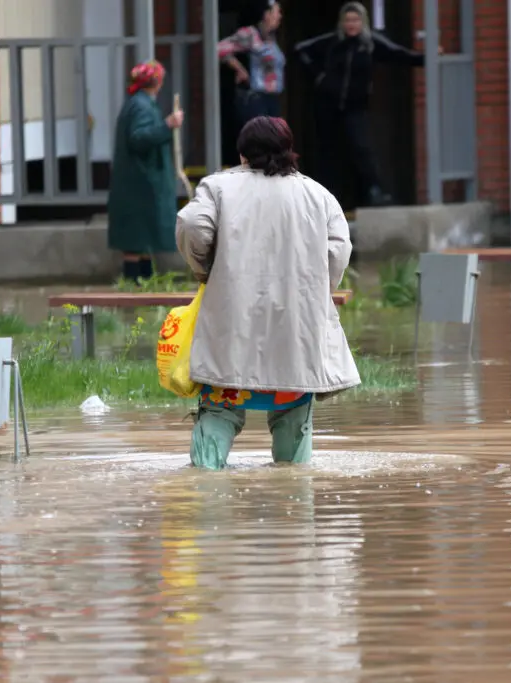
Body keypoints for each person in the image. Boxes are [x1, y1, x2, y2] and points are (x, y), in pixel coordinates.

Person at [175, 116, 361, 470]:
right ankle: (294, 492)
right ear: (289, 150)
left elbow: (192, 225)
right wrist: (316, 291)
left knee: (219, 411)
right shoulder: (318, 195)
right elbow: (338, 251)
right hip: (296, 330)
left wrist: (205, 270)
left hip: (232, 327)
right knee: (293, 420)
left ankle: (205, 490)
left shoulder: (218, 188)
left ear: (242, 153)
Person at [294, 1, 427, 207]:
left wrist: (427, 58)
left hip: (355, 107)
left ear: (363, 21)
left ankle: (375, 191)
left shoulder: (371, 43)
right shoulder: (333, 41)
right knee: (329, 151)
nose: (351, 24)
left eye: (355, 20)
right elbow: (301, 49)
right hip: (328, 106)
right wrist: (319, 77)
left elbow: (400, 54)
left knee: (362, 148)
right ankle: (326, 197)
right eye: (347, 20)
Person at [107, 60, 184, 283]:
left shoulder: (136, 103)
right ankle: (136, 284)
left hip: (136, 180)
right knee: (138, 236)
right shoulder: (142, 106)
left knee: (141, 237)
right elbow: (139, 138)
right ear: (156, 82)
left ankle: (143, 283)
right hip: (141, 182)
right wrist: (167, 125)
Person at [218, 0, 285, 128]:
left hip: (272, 99)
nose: (280, 16)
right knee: (260, 137)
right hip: (256, 98)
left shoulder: (271, 38)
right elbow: (219, 49)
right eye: (277, 12)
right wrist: (239, 68)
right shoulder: (250, 34)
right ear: (266, 15)